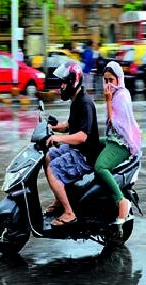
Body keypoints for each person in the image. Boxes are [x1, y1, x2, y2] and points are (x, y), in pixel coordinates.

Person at [44, 60, 101, 227]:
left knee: (53, 170)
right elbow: (70, 125)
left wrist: (58, 138)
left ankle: (69, 212)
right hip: (76, 149)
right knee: (48, 157)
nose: (60, 86)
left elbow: (82, 136)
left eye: (63, 82)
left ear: (72, 82)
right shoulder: (76, 99)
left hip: (85, 155)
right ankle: (59, 199)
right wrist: (53, 127)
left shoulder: (85, 103)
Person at [94, 61, 142, 224]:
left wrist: (107, 101)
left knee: (100, 167)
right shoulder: (116, 94)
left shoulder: (121, 96)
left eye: (111, 80)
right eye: (105, 80)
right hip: (112, 139)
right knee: (89, 144)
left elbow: (113, 123)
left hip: (121, 144)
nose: (108, 84)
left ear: (118, 79)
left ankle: (121, 200)